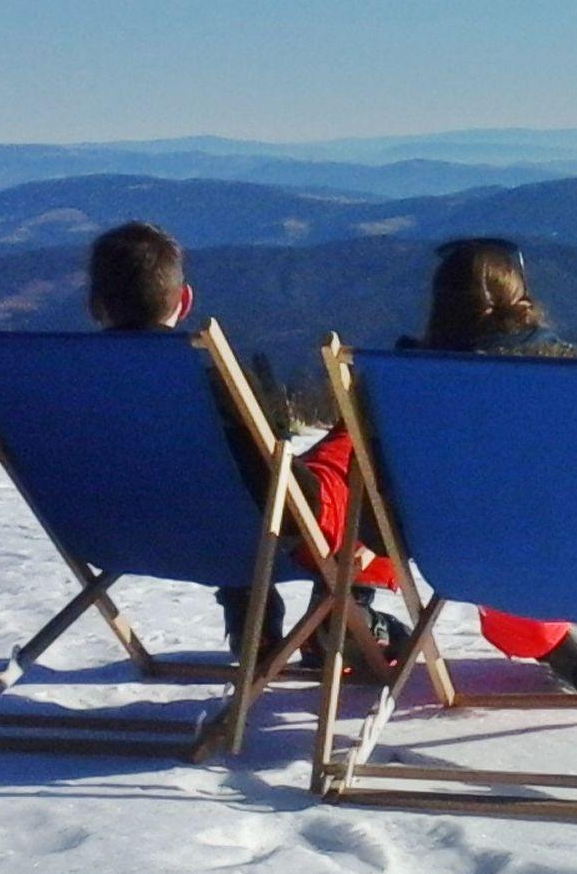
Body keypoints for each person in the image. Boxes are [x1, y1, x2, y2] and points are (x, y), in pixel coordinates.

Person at [300, 237, 577, 694]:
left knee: (500, 545)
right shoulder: (575, 371)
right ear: (521, 296)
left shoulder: (398, 382)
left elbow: (377, 493)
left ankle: (564, 649)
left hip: (458, 559)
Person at [84, 222, 408, 664]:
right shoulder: (208, 383)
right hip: (254, 539)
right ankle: (347, 609)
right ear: (184, 301)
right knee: (362, 441)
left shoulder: (51, 384)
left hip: (112, 534)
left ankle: (252, 619)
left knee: (216, 488)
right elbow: (289, 502)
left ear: (94, 305)